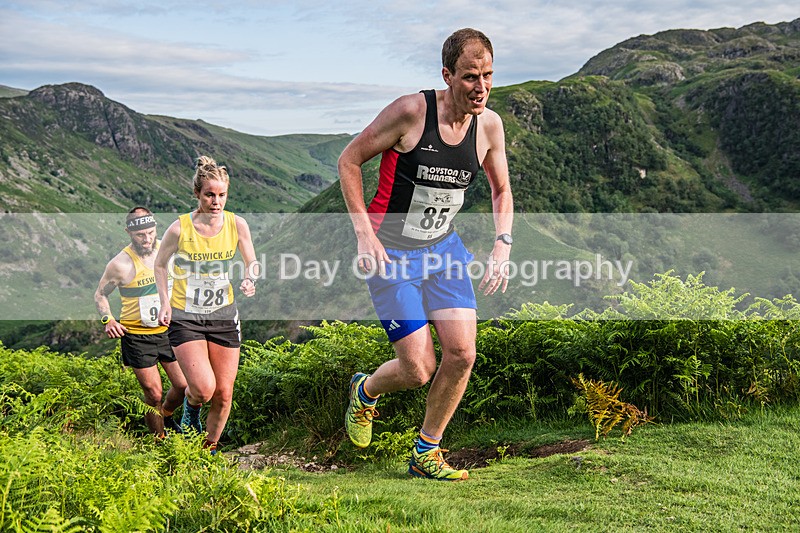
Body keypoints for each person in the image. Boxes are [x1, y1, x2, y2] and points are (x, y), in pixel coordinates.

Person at [338, 28, 513, 481]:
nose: (481, 88)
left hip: (444, 250)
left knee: (462, 354)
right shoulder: (412, 112)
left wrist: (502, 242)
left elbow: (501, 188)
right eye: (471, 77)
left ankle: (426, 452)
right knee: (417, 369)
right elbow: (349, 160)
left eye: (488, 76)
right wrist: (363, 234)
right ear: (447, 75)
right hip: (390, 251)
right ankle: (367, 390)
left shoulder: (488, 125)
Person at [154, 155, 258, 454]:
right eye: (210, 195)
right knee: (202, 388)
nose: (216, 201)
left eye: (222, 195)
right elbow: (160, 266)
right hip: (185, 315)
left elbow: (252, 261)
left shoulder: (237, 224)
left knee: (224, 394)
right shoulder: (179, 228)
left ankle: (206, 451)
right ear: (197, 194)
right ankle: (190, 411)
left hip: (223, 314)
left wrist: (251, 279)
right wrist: (164, 304)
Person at [94, 207, 188, 438]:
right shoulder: (120, 264)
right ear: (129, 232)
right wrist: (108, 319)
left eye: (150, 233)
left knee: (184, 386)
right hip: (137, 336)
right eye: (140, 235)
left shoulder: (168, 251)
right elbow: (100, 294)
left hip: (169, 331)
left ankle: (166, 414)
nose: (147, 239)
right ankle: (160, 443)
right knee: (153, 394)